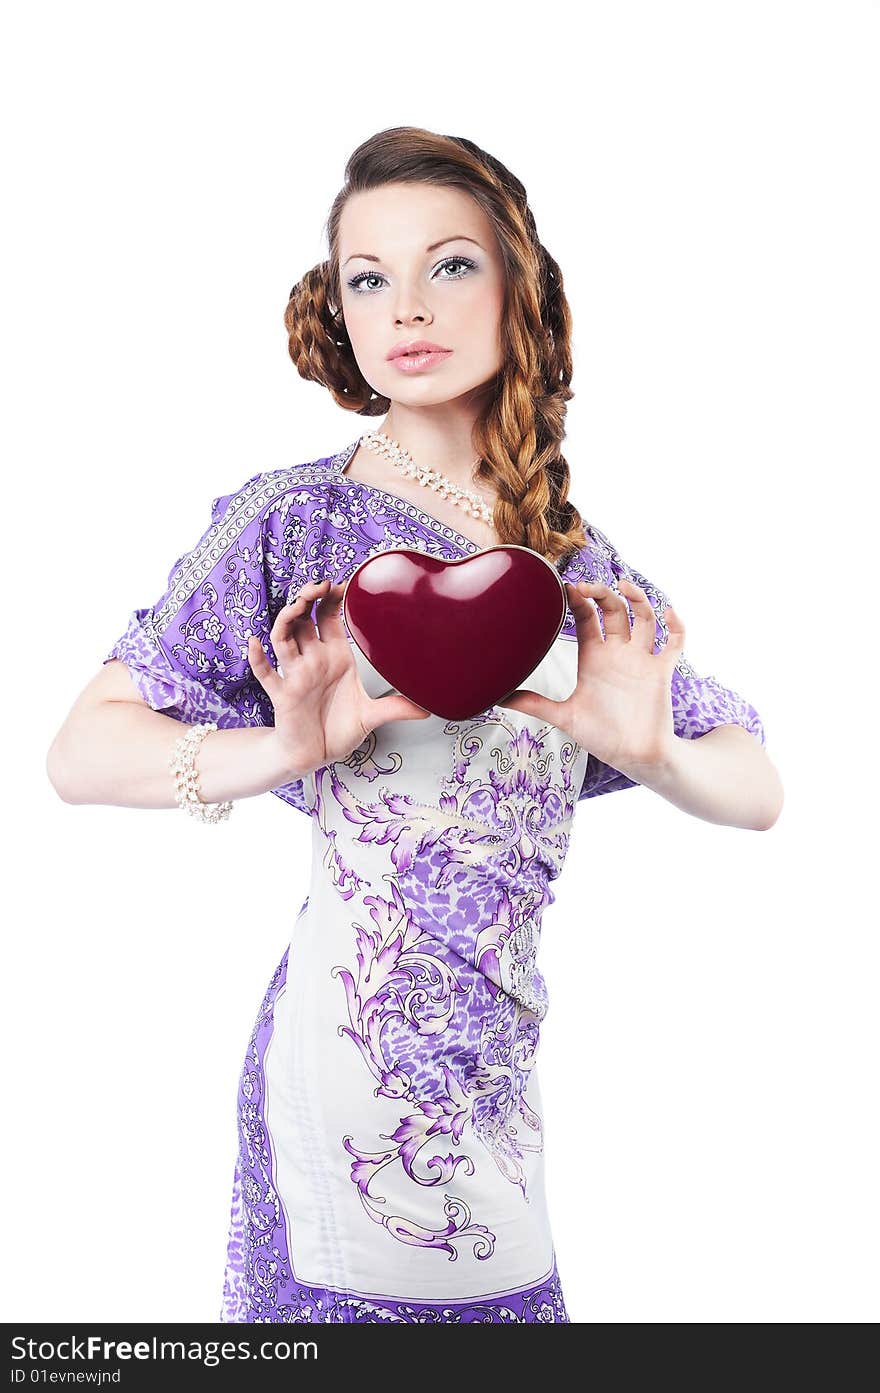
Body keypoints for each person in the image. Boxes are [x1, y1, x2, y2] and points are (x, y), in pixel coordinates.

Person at [46, 126, 783, 1325]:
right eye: (367, 277)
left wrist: (649, 750)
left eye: (448, 265)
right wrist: (283, 751)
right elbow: (80, 751)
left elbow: (755, 786)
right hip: (352, 1063)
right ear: (337, 309)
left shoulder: (575, 564)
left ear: (517, 291)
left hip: (499, 1083)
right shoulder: (292, 524)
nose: (406, 307)